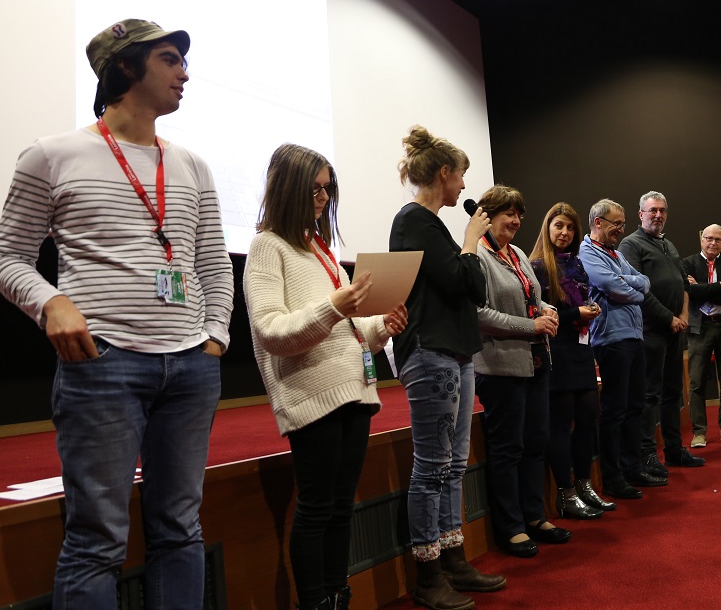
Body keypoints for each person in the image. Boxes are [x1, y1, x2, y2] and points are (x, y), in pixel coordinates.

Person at [0, 19, 234, 608]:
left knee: (180, 529)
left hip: (191, 366)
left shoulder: (193, 165)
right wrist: (50, 302)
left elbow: (213, 264)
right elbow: (7, 257)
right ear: (126, 67)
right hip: (103, 365)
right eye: (169, 59)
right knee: (96, 539)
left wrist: (215, 339)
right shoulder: (52, 155)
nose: (184, 73)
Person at [244, 144, 408, 610]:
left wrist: (381, 327)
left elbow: (347, 333)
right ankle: (315, 602)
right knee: (317, 508)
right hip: (311, 395)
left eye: (327, 188)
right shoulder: (267, 247)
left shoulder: (321, 250)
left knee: (340, 506)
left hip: (354, 389)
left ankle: (338, 596)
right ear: (288, 188)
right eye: (314, 188)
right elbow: (271, 331)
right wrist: (335, 306)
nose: (322, 197)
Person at [388, 126, 505, 610]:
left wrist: (467, 246)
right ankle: (428, 572)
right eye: (460, 176)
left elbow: (470, 287)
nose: (463, 186)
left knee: (454, 464)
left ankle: (453, 558)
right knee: (432, 466)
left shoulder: (432, 224)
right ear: (443, 173)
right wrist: (471, 240)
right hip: (430, 350)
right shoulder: (414, 221)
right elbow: (464, 282)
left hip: (455, 350)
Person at [473, 186, 571, 558]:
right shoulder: (476, 255)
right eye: (508, 214)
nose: (515, 221)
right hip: (500, 368)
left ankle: (534, 517)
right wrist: (531, 326)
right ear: (487, 216)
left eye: (518, 215)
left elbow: (533, 297)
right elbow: (479, 314)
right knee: (508, 450)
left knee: (535, 444)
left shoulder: (515, 253)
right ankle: (511, 528)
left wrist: (547, 310)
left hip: (536, 362)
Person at [530, 203, 615, 519]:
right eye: (558, 226)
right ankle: (565, 494)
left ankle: (584, 485)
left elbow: (582, 302)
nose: (564, 232)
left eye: (569, 227)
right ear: (547, 229)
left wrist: (590, 310)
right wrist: (575, 314)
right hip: (555, 351)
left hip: (581, 349)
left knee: (588, 419)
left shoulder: (577, 264)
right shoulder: (537, 267)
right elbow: (539, 314)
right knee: (561, 424)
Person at [619, 192, 704, 480]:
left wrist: (683, 315)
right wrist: (669, 318)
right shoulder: (630, 244)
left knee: (673, 394)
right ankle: (646, 455)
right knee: (649, 395)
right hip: (650, 331)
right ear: (640, 214)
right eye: (652, 210)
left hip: (675, 330)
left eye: (662, 210)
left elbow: (683, 284)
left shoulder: (668, 244)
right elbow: (637, 290)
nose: (658, 215)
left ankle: (674, 449)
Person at [578, 199, 652, 500]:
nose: (621, 229)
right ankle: (612, 477)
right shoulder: (587, 252)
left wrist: (630, 283)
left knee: (635, 406)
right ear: (598, 222)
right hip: (611, 340)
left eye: (622, 224)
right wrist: (633, 288)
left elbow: (644, 282)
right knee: (615, 410)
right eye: (616, 224)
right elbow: (614, 288)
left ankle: (632, 467)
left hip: (633, 336)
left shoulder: (616, 254)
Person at [681, 224, 721, 447]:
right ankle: (699, 432)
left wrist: (704, 289)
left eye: (717, 240)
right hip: (700, 328)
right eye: (708, 238)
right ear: (701, 240)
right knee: (696, 382)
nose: (712, 243)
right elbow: (689, 292)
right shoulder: (688, 263)